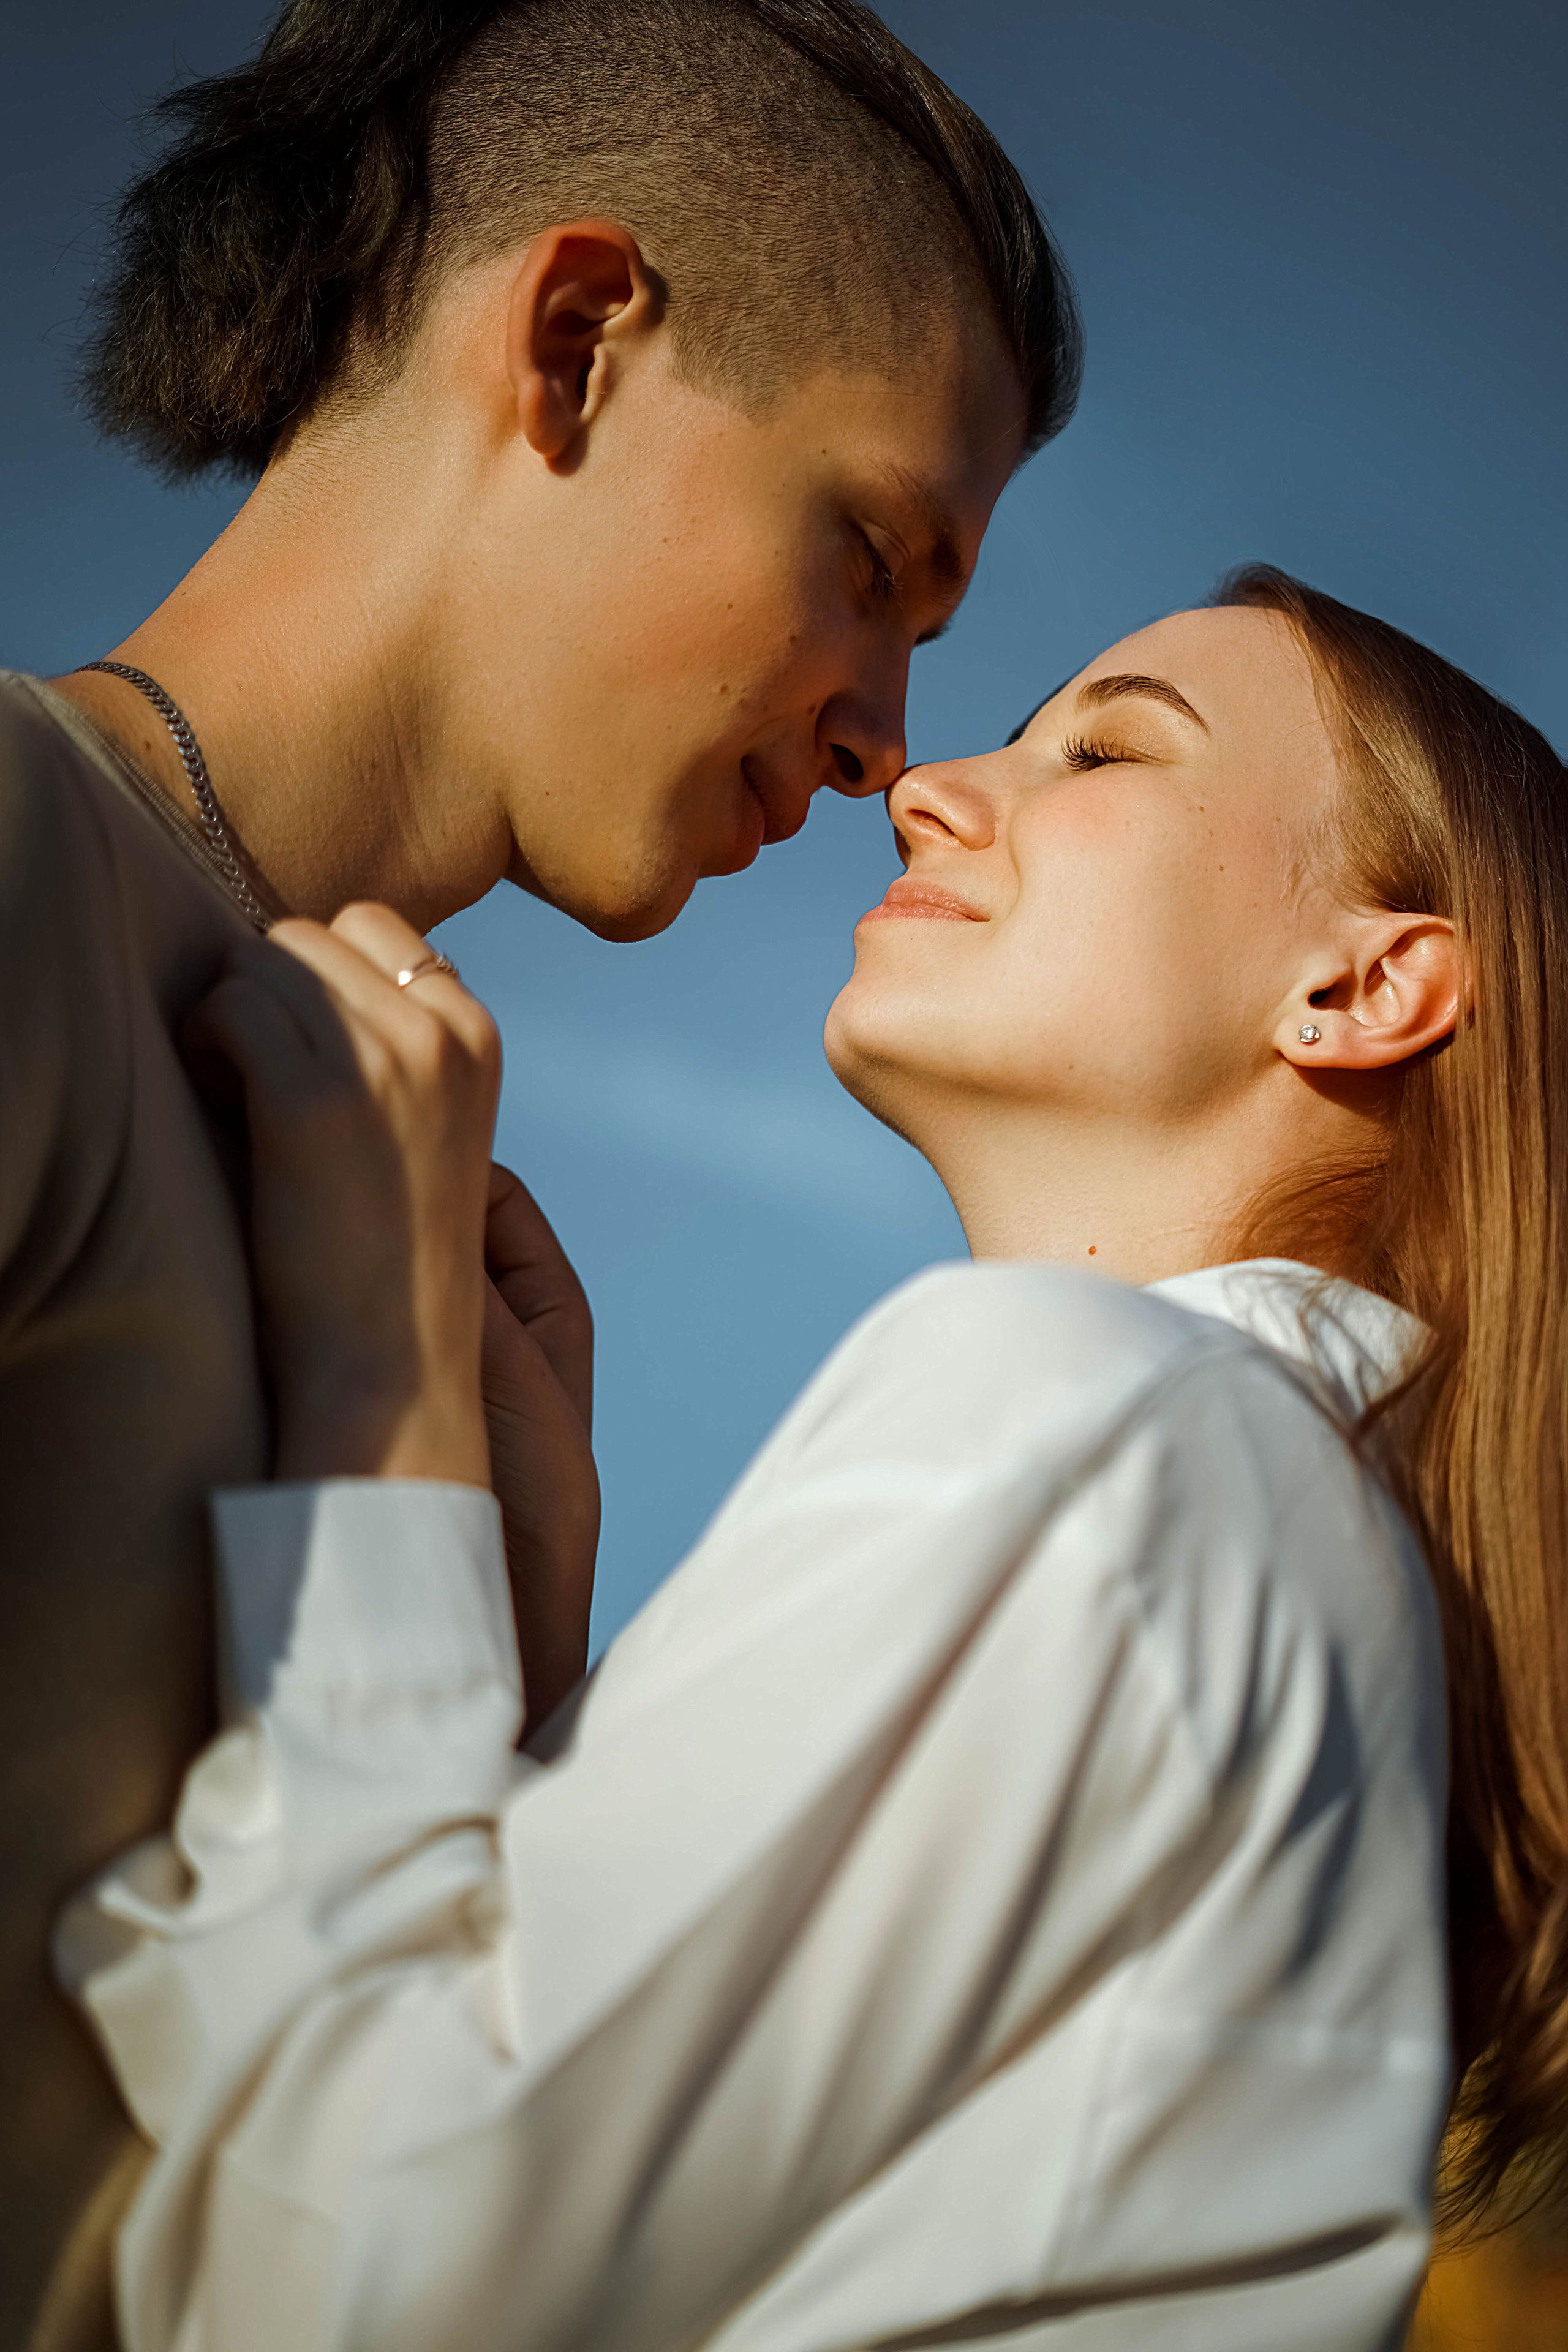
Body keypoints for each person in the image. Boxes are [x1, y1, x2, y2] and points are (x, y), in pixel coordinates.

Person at [59, 567, 1568, 2351]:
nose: (927, 788)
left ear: (1364, 985)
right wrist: (513, 1678)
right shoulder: (1297, 1551)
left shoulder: (1114, 1429)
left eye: (1104, 754)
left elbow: (335, 2277)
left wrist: (379, 1413)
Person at [1, 2, 1080, 2340]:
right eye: (869, 556)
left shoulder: (435, 1237)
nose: (889, 742)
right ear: (578, 343)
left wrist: (519, 1632)